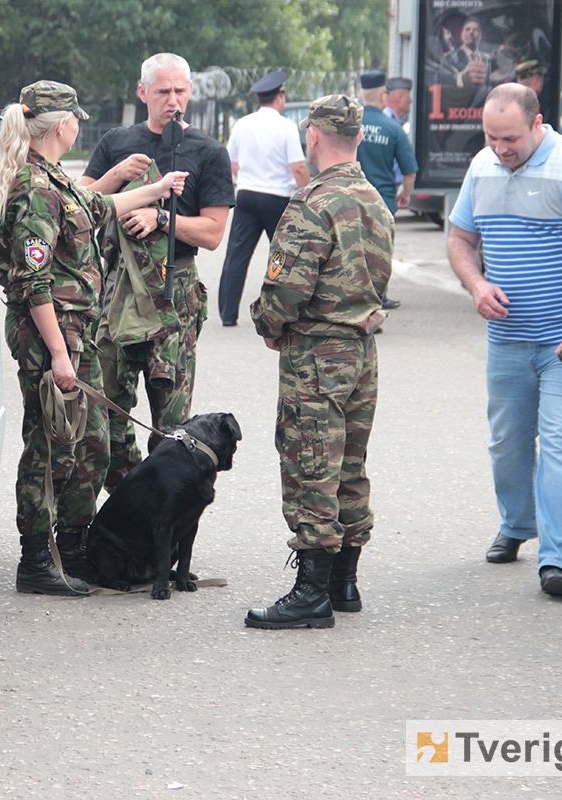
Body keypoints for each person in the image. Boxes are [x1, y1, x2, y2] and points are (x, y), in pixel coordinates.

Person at [0, 80, 187, 595]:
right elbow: (33, 283)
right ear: (63, 126)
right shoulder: (34, 189)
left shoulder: (56, 179)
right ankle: (36, 560)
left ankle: (73, 548)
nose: (80, 122)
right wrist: (58, 353)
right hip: (52, 337)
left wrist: (159, 190)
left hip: (81, 334)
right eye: (76, 116)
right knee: (50, 446)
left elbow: (100, 207)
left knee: (92, 444)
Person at [447, 83, 562, 598]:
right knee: (508, 443)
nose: (501, 149)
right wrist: (477, 285)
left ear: (538, 123)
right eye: (491, 137)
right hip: (507, 339)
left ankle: (557, 559)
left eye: (511, 139)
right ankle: (517, 524)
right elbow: (459, 239)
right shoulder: (481, 167)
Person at [244, 95, 394, 630]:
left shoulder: (314, 201)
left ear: (313, 135)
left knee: (311, 463)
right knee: (349, 463)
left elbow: (285, 288)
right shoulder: (374, 198)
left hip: (316, 356)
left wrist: (267, 324)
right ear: (356, 136)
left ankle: (311, 594)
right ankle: (344, 582)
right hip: (361, 351)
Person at [79, 53, 235, 492]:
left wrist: (162, 220)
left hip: (174, 294)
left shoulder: (208, 151)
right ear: (142, 92)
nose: (173, 101)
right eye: (163, 91)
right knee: (107, 411)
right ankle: (129, 501)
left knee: (172, 424)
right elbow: (78, 204)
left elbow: (212, 232)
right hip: (119, 290)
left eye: (180, 91)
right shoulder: (117, 142)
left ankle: (162, 524)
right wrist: (114, 175)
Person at [217, 70, 309, 327]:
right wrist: (307, 194)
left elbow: (231, 161)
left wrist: (246, 176)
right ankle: (280, 310)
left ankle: (227, 313)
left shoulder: (242, 124)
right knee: (281, 254)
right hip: (277, 198)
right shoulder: (287, 127)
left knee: (237, 254)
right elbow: (299, 168)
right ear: (279, 97)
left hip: (246, 194)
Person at [358, 70, 416, 315]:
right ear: (384, 96)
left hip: (350, 200)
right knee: (379, 254)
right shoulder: (393, 128)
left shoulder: (349, 124)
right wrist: (405, 193)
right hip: (382, 201)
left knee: (352, 251)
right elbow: (409, 169)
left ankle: (355, 301)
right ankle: (377, 300)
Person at [443, 17, 497, 89]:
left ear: (481, 36)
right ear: (462, 35)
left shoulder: (487, 59)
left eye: (475, 30)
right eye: (467, 29)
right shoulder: (449, 58)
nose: (471, 32)